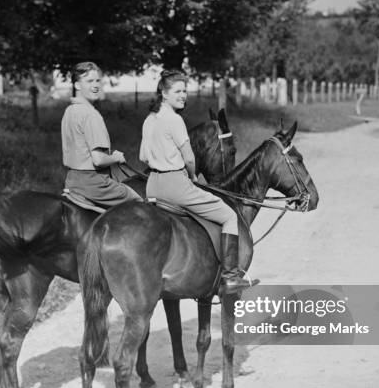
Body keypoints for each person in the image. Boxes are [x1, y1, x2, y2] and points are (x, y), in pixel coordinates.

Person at [139, 70, 258, 294]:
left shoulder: (149, 120)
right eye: (178, 91)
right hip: (176, 184)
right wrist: (192, 176)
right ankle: (230, 277)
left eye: (185, 90)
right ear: (164, 93)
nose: (183, 95)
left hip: (153, 184)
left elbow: (143, 157)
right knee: (229, 216)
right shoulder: (174, 120)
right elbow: (190, 158)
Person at [61, 61, 142, 206]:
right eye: (89, 81)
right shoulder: (91, 115)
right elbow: (98, 160)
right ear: (77, 85)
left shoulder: (70, 111)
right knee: (139, 202)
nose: (96, 85)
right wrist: (116, 157)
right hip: (94, 183)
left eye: (97, 80)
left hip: (72, 180)